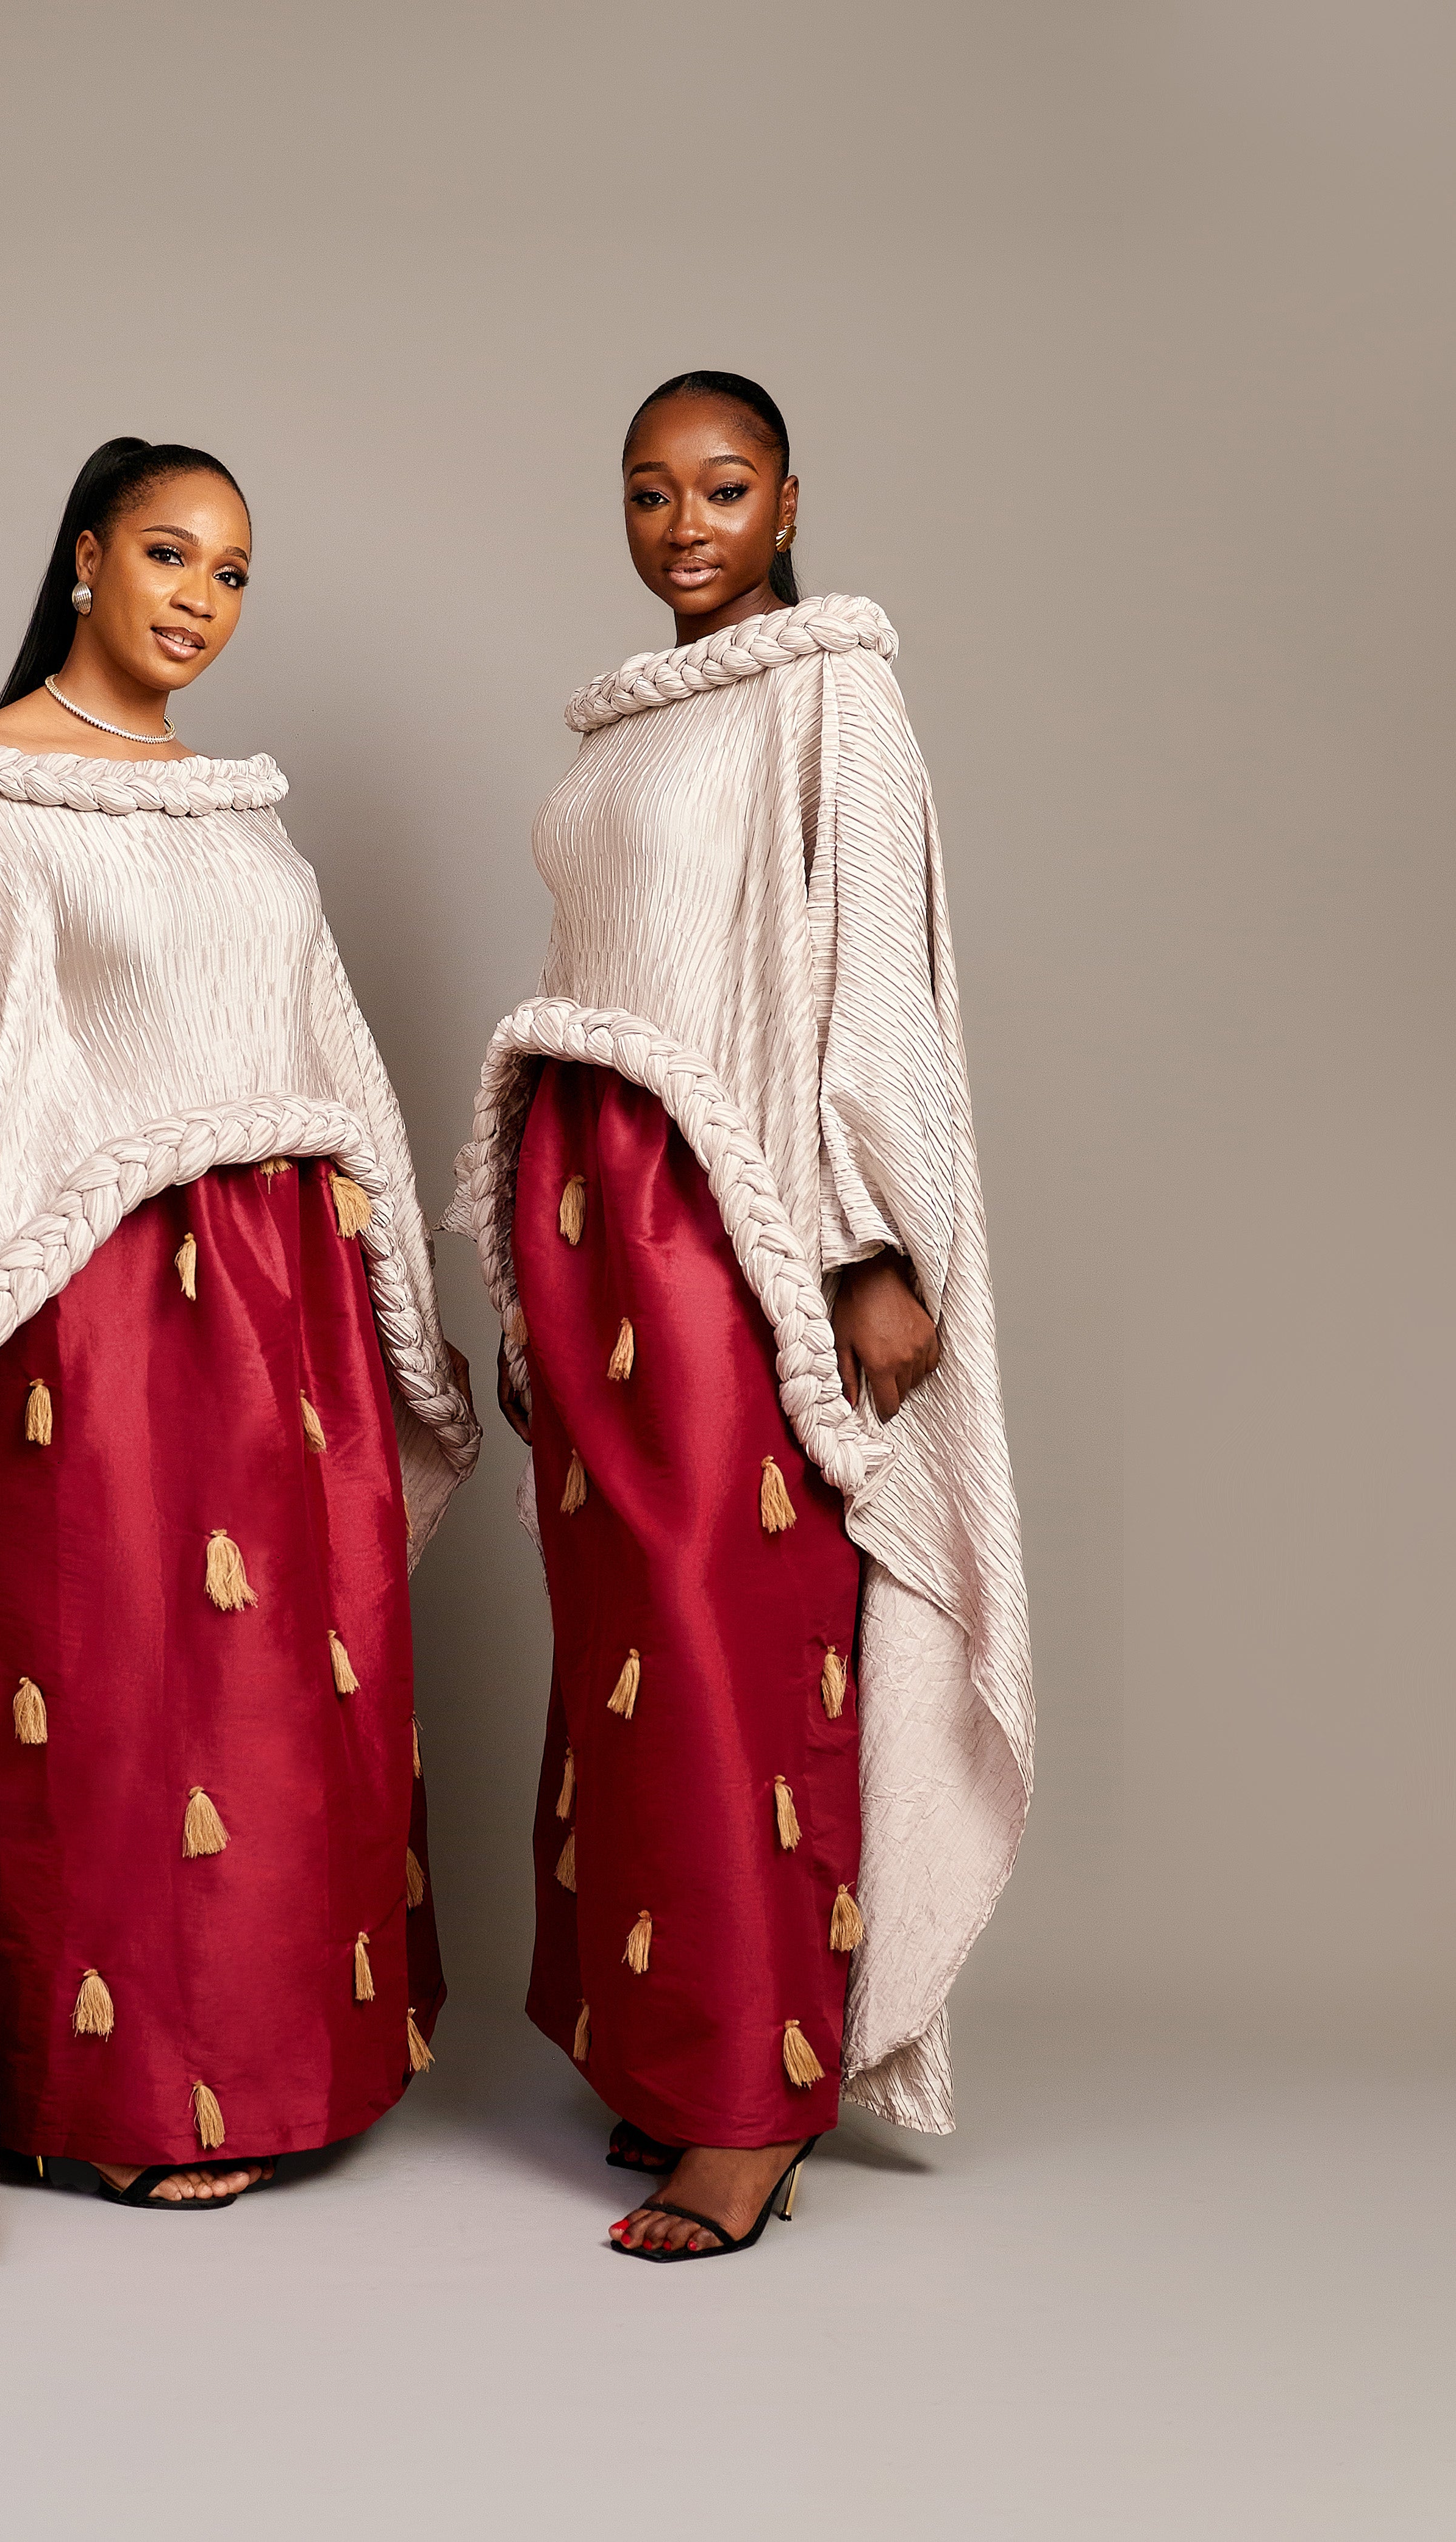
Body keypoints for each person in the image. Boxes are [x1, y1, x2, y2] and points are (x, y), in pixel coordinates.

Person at [0, 437, 477, 2258]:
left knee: (291, 1695)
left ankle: (292, 2058)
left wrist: (388, 1269)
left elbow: (323, 1039)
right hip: (117, 1316)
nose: (200, 600)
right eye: (169, 554)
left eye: (233, 573)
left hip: (291, 1302)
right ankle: (128, 2093)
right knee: (135, 1691)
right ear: (86, 557)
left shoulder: (236, 808)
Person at [447, 372, 1032, 2260]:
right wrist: (528, 1261)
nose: (683, 525)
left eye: (721, 487)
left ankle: (753, 2105)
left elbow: (872, 967)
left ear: (788, 498)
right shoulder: (632, 719)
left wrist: (874, 1242)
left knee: (727, 1634)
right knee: (624, 1639)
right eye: (649, 491)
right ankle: (664, 2046)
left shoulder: (831, 686)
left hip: (732, 1213)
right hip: (592, 1206)